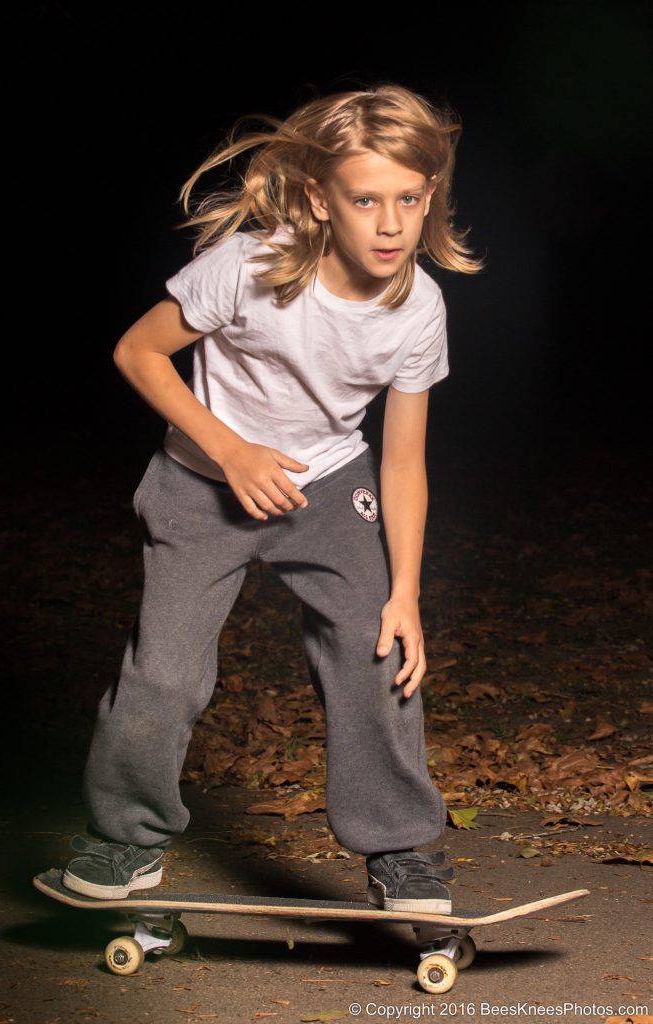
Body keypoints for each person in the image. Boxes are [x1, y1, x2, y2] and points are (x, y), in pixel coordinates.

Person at [61, 82, 483, 914]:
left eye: (408, 198)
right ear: (323, 198)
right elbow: (137, 352)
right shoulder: (250, 268)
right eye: (366, 200)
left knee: (383, 653)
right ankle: (124, 841)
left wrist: (405, 592)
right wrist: (229, 449)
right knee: (165, 673)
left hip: (329, 487)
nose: (391, 224)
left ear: (430, 194)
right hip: (200, 485)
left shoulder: (419, 308)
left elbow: (402, 462)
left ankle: (399, 851)